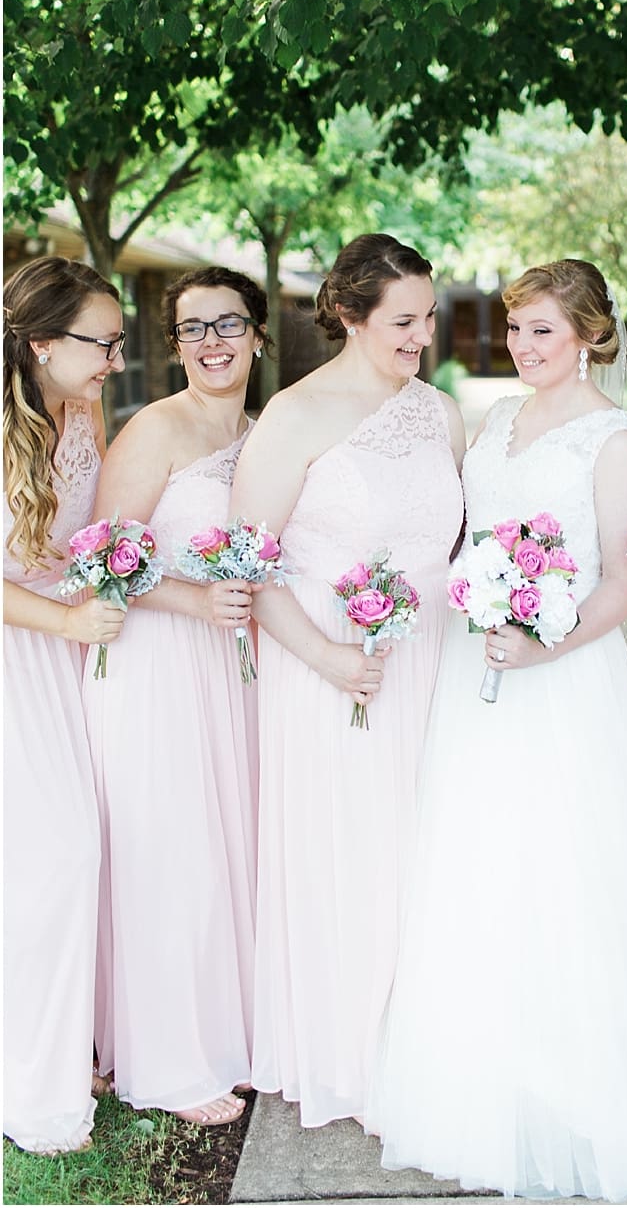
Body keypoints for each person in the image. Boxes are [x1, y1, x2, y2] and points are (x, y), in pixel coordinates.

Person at [367, 259, 627, 1196]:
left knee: (562, 867)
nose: (522, 346)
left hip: (564, 684)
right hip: (474, 676)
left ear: (591, 335)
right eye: (515, 329)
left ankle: (574, 1083)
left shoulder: (615, 444)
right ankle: (481, 1074)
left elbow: (625, 585)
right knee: (476, 860)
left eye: (543, 331)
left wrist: (543, 643)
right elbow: (467, 540)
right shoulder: (494, 422)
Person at [231, 233, 464, 1127]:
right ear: (348, 315)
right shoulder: (292, 415)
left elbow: (445, 542)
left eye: (429, 318)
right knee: (353, 845)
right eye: (404, 321)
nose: (422, 337)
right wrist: (329, 657)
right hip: (329, 664)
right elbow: (248, 568)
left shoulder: (439, 413)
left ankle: (422, 1039)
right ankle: (348, 1052)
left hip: (427, 656)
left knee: (425, 848)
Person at [86, 267, 263, 1127]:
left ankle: (229, 1031)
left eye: (229, 324)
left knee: (229, 846)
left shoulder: (268, 434)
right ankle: (169, 1060)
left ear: (258, 336)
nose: (212, 342)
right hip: (157, 662)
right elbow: (102, 555)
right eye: (194, 328)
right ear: (176, 345)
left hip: (231, 669)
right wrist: (194, 599)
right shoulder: (153, 429)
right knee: (172, 852)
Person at [1, 256, 126, 1154]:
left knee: (76, 856)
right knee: (56, 859)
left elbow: (97, 533)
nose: (116, 359)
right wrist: (70, 619)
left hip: (68, 654)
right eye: (103, 342)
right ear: (44, 341)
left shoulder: (81, 415)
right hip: (18, 652)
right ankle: (31, 1076)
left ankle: (53, 1040)